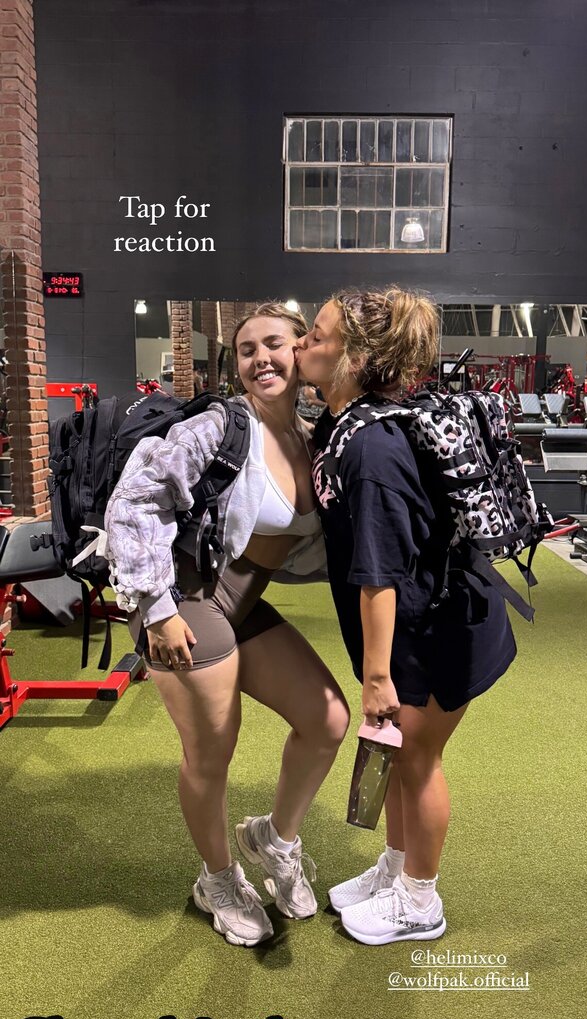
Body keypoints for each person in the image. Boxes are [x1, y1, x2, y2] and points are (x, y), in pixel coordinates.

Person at [104, 302, 349, 948]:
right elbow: (133, 502)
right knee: (212, 753)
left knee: (328, 720)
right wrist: (157, 610)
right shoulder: (221, 426)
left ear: (302, 350)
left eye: (274, 344)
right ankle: (216, 879)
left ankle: (275, 839)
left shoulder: (314, 436)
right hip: (182, 601)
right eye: (246, 349)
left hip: (239, 601)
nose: (260, 358)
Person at [295, 287, 517, 945]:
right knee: (394, 751)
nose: (303, 342)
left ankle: (420, 901)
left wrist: (376, 678)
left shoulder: (371, 450)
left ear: (357, 358)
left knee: (417, 758)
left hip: (440, 628)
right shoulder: (341, 423)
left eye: (317, 335)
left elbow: (380, 575)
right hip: (412, 623)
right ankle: (395, 869)